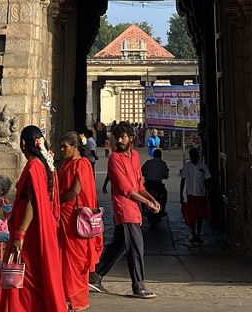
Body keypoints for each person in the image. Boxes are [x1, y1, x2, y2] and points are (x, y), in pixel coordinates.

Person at [0, 125, 65, 312]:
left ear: (23, 144)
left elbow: (32, 202)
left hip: (30, 231)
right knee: (33, 275)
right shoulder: (44, 164)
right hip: (39, 228)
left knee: (23, 274)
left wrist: (20, 234)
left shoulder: (33, 166)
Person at [89, 122, 159, 299]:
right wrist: (147, 203)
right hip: (124, 208)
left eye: (123, 137)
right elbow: (126, 188)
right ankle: (139, 286)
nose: (120, 140)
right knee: (136, 247)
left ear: (131, 138)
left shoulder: (135, 156)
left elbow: (138, 185)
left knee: (119, 245)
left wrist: (151, 199)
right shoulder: (114, 159)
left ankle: (95, 276)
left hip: (134, 208)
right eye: (117, 137)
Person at [58, 131, 102, 312]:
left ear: (75, 147)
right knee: (65, 260)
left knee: (76, 261)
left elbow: (76, 191)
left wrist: (58, 200)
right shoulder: (66, 164)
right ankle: (66, 297)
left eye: (65, 147)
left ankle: (75, 300)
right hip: (66, 217)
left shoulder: (81, 164)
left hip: (75, 217)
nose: (62, 150)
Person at [180, 147, 211, 244]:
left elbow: (207, 180)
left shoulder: (203, 166)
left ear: (197, 156)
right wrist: (181, 194)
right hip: (191, 194)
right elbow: (183, 180)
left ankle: (198, 234)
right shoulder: (187, 166)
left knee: (200, 216)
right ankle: (194, 233)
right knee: (192, 215)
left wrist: (208, 193)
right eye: (191, 155)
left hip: (201, 194)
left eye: (195, 155)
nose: (193, 157)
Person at [141, 149, 169, 226]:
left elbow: (142, 171)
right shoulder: (163, 163)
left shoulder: (148, 162)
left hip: (148, 184)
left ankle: (143, 210)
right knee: (164, 194)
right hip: (158, 185)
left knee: (142, 194)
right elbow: (166, 175)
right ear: (160, 155)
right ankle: (162, 209)